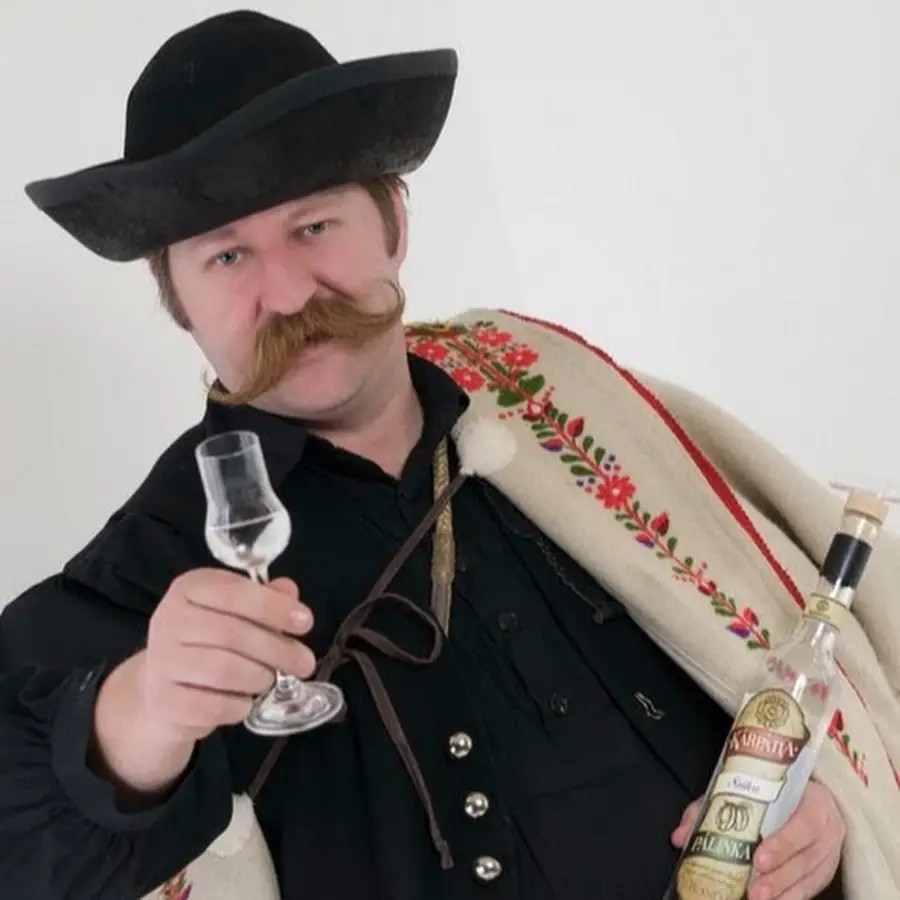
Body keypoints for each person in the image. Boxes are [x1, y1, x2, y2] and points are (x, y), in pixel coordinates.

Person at [2, 9, 899, 900]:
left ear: (395, 221)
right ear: (178, 301)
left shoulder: (551, 394)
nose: (288, 292)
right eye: (228, 257)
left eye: (314, 227)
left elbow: (797, 648)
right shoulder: (153, 561)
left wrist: (815, 811)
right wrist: (136, 716)